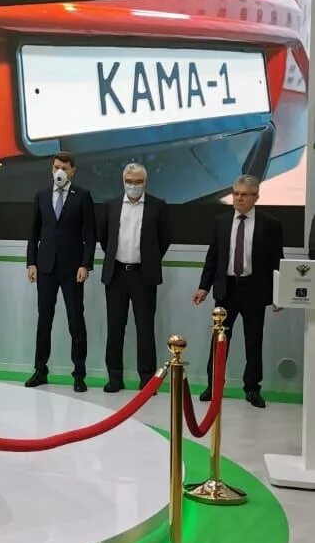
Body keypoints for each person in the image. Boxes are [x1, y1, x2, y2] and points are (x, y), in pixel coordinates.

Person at [193, 174, 284, 409]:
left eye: (244, 195)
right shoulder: (221, 222)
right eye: (236, 194)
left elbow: (277, 260)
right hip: (226, 290)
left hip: (255, 289)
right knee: (219, 340)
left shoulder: (270, 224)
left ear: (256, 197)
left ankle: (252, 388)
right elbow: (213, 256)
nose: (239, 198)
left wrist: (279, 293)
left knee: (253, 341)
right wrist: (204, 287)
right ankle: (213, 386)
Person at [26, 152, 96, 392]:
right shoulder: (41, 195)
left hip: (72, 269)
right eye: (57, 167)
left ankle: (79, 373)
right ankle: (40, 370)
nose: (60, 171)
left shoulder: (83, 196)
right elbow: (33, 232)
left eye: (64, 168)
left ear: (73, 170)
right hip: (45, 267)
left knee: (76, 320)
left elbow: (90, 234)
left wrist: (85, 264)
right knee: (44, 319)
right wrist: (31, 263)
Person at [98, 163, 171, 392]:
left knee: (145, 329)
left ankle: (147, 380)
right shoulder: (110, 205)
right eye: (129, 181)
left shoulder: (157, 206)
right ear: (123, 181)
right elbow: (104, 239)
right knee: (115, 329)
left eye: (138, 182)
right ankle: (115, 377)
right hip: (116, 274)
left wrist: (148, 259)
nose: (133, 186)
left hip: (143, 275)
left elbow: (164, 239)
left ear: (145, 182)